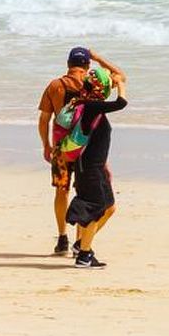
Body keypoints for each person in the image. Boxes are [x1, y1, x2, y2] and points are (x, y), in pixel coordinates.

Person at [39, 45, 125, 256]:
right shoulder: (91, 83)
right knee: (86, 193)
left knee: (62, 191)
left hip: (62, 150)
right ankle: (81, 242)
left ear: (68, 64)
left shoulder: (55, 85)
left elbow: (44, 119)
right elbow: (121, 77)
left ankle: (62, 239)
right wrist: (98, 58)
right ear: (87, 65)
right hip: (86, 149)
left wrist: (46, 146)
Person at [62, 64, 127, 268]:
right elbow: (121, 102)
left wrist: (104, 165)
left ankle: (82, 244)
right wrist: (120, 85)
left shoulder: (89, 103)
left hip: (96, 166)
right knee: (96, 209)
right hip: (88, 168)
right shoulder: (91, 105)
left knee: (109, 207)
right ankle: (84, 255)